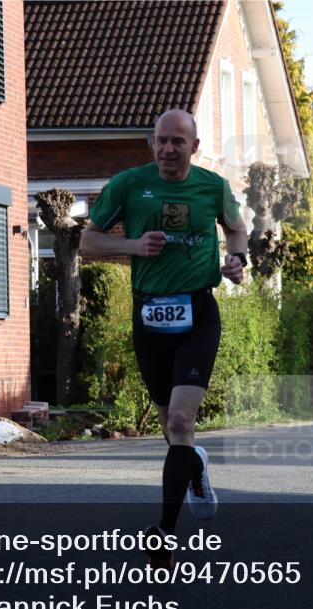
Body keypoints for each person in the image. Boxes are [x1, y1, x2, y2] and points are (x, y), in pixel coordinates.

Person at [79, 109, 247, 568]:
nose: (168, 149)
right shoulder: (129, 185)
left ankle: (164, 537)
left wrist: (237, 260)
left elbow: (236, 229)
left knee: (178, 422)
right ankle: (195, 465)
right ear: (151, 144)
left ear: (194, 147)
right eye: (161, 141)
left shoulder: (213, 187)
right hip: (148, 315)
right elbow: (88, 244)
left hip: (198, 312)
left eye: (178, 142)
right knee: (175, 435)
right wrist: (133, 246)